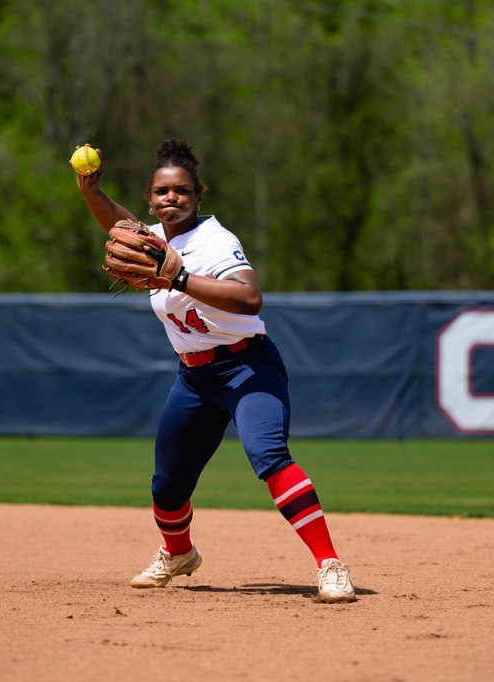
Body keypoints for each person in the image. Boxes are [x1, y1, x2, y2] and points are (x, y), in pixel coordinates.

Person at [73, 138, 356, 603]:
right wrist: (91, 193)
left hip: (246, 366)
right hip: (194, 378)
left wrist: (178, 277)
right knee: (167, 484)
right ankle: (178, 552)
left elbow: (249, 299)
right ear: (150, 198)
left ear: (198, 196)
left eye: (182, 191)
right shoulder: (156, 240)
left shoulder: (215, 241)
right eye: (162, 192)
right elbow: (122, 226)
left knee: (268, 455)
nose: (171, 199)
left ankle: (330, 565)